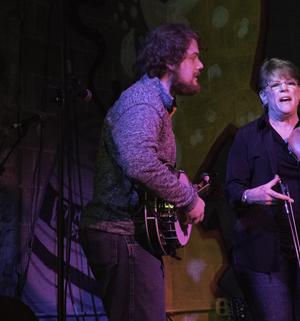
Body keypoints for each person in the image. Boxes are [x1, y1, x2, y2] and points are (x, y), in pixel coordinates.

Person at [80, 23, 207, 321]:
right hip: (121, 235)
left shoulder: (156, 104)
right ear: (169, 60)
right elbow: (139, 163)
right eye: (193, 57)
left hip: (130, 238)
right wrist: (188, 198)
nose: (200, 65)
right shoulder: (143, 103)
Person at [225, 58, 300, 321]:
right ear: (263, 96)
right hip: (264, 250)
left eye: (291, 83)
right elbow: (233, 188)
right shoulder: (247, 137)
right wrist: (251, 195)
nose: (284, 89)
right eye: (275, 84)